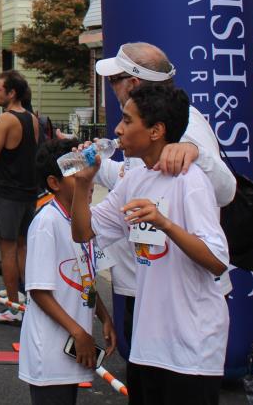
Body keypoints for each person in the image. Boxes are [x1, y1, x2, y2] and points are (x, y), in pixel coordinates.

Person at [71, 84, 230, 405]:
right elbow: (84, 233)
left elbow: (217, 260)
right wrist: (83, 181)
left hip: (191, 351)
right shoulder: (135, 179)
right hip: (147, 349)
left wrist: (165, 223)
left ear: (156, 131)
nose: (118, 129)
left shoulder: (190, 180)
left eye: (128, 121)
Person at [92, 42, 235, 359]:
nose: (111, 88)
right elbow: (131, 181)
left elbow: (226, 191)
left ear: (133, 83)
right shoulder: (139, 131)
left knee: (178, 376)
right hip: (150, 283)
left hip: (184, 295)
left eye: (114, 80)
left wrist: (196, 152)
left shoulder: (184, 124)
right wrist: (95, 168)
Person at [20, 138, 116, 405]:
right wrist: (78, 332)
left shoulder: (83, 220)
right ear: (54, 182)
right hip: (51, 349)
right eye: (77, 176)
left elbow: (85, 276)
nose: (88, 181)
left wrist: (104, 316)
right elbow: (38, 290)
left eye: (89, 174)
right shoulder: (46, 223)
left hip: (72, 345)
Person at [0, 70, 39, 324]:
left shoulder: (6, 119)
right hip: (28, 191)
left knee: (7, 250)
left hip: (8, 192)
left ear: (12, 92)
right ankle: (28, 302)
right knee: (23, 248)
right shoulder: (32, 118)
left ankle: (13, 307)